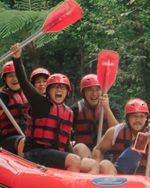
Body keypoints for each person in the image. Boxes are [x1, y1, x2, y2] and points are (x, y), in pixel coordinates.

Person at [9, 44, 98, 173]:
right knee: (74, 160)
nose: (58, 90)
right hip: (36, 153)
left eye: (62, 88)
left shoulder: (68, 112)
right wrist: (17, 59)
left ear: (67, 92)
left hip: (54, 155)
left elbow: (65, 143)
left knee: (93, 165)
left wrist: (74, 157)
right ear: (48, 91)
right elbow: (24, 83)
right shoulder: (41, 103)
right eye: (55, 87)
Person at [94, 99, 150, 179]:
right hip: (118, 176)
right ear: (127, 118)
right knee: (105, 164)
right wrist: (98, 167)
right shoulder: (115, 131)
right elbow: (98, 149)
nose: (138, 120)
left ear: (145, 119)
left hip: (142, 178)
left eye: (141, 116)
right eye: (134, 116)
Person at [71, 74, 122, 158]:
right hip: (84, 155)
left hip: (106, 154)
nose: (94, 94)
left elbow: (118, 134)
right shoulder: (75, 110)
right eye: (90, 90)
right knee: (79, 148)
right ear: (83, 92)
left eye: (98, 89)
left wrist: (107, 109)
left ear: (102, 91)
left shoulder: (112, 107)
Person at [0, 61, 30, 156]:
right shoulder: (1, 96)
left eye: (17, 75)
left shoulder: (29, 94)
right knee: (24, 141)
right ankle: (24, 168)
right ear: (5, 79)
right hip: (8, 140)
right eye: (10, 76)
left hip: (27, 136)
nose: (15, 79)